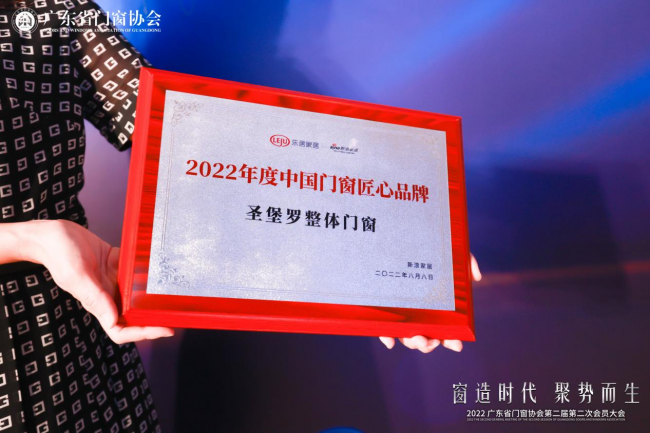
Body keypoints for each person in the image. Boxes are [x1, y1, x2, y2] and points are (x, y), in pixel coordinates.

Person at [0, 0, 482, 430]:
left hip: (75, 335)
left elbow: (181, 131)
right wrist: (28, 240)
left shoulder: (50, 8)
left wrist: (395, 248)